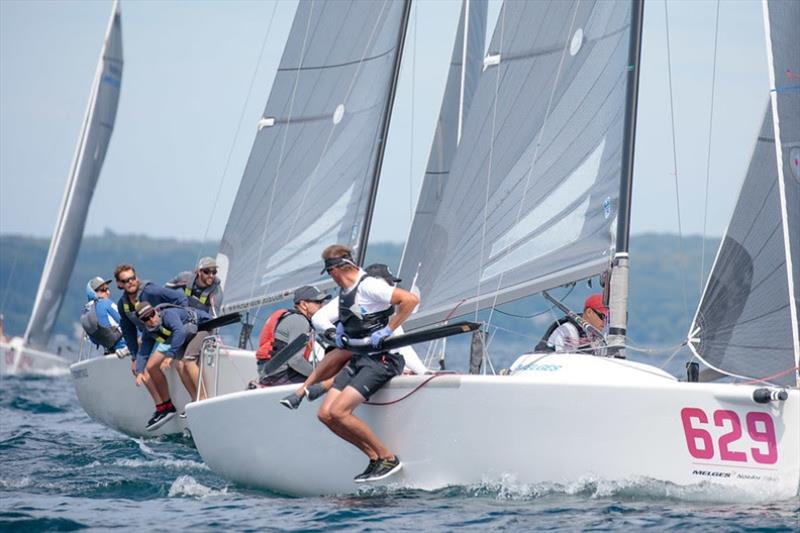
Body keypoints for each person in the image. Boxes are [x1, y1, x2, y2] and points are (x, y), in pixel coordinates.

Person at [313, 245, 419, 483]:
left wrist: (389, 329)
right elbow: (329, 317)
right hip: (360, 357)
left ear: (337, 269)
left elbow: (410, 300)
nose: (330, 278)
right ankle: (375, 458)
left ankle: (388, 457)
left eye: (330, 273)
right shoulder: (345, 291)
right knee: (325, 414)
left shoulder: (369, 285)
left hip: (382, 359)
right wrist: (337, 330)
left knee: (339, 412)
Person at [280, 263, 428, 409]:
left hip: (366, 357)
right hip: (349, 353)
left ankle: (315, 388)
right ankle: (305, 390)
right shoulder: (352, 299)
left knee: (357, 356)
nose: (392, 288)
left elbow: (402, 345)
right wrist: (333, 332)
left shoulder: (383, 312)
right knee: (347, 352)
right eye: (389, 283)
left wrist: (423, 372)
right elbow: (318, 318)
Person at [114, 263, 188, 430]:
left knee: (149, 367)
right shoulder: (123, 304)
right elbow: (128, 331)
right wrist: (134, 356)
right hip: (152, 337)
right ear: (119, 284)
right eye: (126, 281)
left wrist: (180, 319)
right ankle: (162, 407)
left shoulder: (150, 291)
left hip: (169, 332)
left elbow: (181, 298)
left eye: (132, 278)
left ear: (136, 277)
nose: (131, 282)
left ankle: (167, 406)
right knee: (137, 368)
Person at [134, 301, 212, 430]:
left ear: (155, 312)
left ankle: (203, 399)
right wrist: (139, 371)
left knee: (188, 361)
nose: (151, 320)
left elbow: (179, 332)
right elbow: (143, 352)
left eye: (152, 315)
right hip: (189, 335)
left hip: (203, 327)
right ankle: (195, 400)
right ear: (142, 321)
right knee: (179, 365)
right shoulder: (149, 331)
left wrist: (169, 356)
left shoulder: (168, 315)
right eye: (146, 319)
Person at [252, 285, 330, 387]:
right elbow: (295, 360)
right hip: (281, 376)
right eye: (318, 302)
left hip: (270, 374)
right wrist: (319, 376)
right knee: (329, 382)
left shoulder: (291, 317)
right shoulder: (300, 321)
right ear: (304, 304)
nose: (322, 306)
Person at [534, 293, 607, 353]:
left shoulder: (597, 334)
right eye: (603, 317)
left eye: (608, 318)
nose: (605, 322)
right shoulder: (569, 330)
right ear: (589, 312)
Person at [80, 277, 126, 354]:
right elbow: (125, 321)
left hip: (110, 352)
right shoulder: (106, 303)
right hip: (125, 348)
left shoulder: (86, 313)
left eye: (107, 289)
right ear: (93, 293)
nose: (108, 292)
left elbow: (94, 341)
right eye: (103, 290)